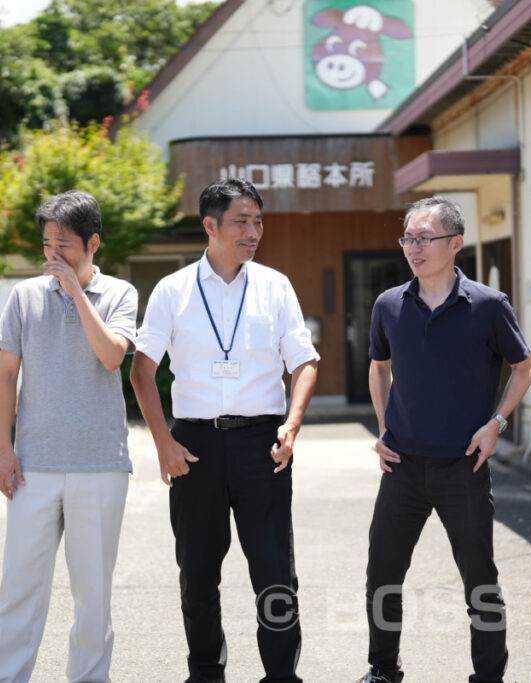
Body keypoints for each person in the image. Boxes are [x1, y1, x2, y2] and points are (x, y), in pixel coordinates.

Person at [130, 178, 319, 683]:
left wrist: (292, 427)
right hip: (195, 447)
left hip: (263, 445)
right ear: (210, 226)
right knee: (197, 573)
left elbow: (303, 363)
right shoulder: (173, 291)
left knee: (276, 573)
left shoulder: (275, 285)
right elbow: (141, 372)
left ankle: (282, 675)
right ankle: (206, 672)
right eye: (242, 221)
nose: (253, 231)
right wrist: (164, 444)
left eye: (258, 221)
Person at [359, 196, 531, 683]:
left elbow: (524, 369)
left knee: (480, 579)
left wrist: (496, 424)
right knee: (383, 574)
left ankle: (489, 676)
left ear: (455, 244)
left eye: (425, 238)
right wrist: (383, 429)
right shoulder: (389, 304)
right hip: (402, 466)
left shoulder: (487, 306)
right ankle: (382, 669)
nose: (413, 248)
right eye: (408, 239)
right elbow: (378, 368)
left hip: (465, 465)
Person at [0, 191, 138, 683]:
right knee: (20, 587)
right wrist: (5, 451)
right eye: (48, 243)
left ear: (93, 242)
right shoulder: (23, 296)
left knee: (93, 592)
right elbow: (6, 375)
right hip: (33, 463)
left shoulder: (119, 294)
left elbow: (112, 356)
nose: (53, 254)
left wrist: (77, 292)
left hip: (100, 463)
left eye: (65, 244)